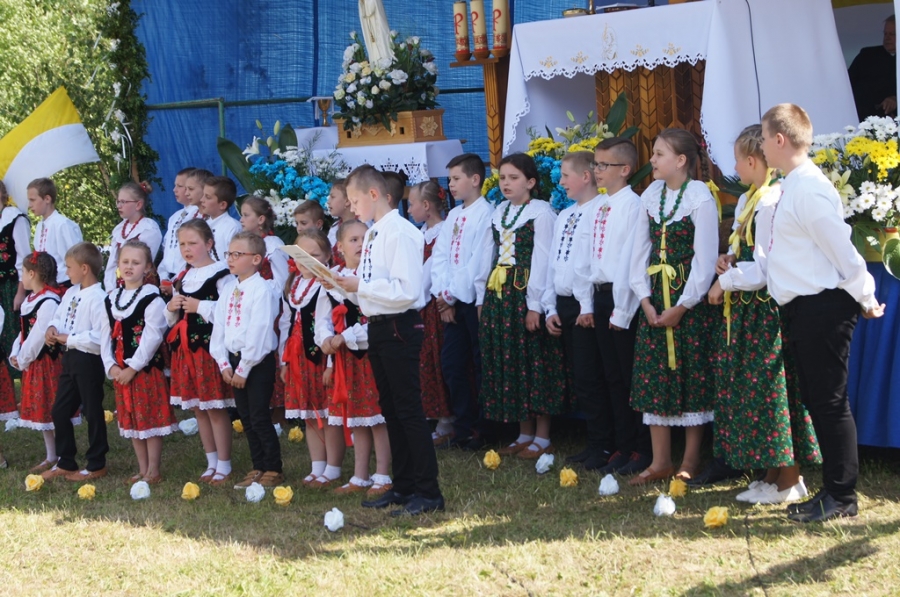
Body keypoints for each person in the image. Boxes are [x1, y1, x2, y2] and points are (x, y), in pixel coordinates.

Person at [761, 103, 885, 522]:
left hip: (824, 306)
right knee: (819, 400)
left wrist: (865, 295)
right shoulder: (792, 186)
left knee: (829, 402)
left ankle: (842, 496)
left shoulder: (809, 188)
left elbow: (842, 250)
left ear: (780, 139)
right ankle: (832, 490)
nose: (762, 146)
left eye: (764, 138)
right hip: (805, 306)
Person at [707, 124, 821, 504]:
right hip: (747, 311)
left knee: (773, 392)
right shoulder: (748, 199)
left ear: (753, 161)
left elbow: (767, 266)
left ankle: (790, 478)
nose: (735, 168)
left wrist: (726, 282)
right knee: (754, 392)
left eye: (738, 161)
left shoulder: (771, 200)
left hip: (764, 311)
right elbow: (745, 249)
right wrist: (728, 259)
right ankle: (771, 475)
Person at [331, 165, 444, 516]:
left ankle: (428, 491)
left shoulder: (401, 232)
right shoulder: (375, 232)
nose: (352, 208)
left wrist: (361, 286)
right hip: (379, 325)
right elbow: (371, 290)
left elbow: (406, 290)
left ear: (374, 194)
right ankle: (404, 485)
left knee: (408, 410)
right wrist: (343, 287)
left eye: (354, 201)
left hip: (399, 326)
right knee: (391, 410)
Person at [627, 128, 718, 486]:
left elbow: (705, 259)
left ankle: (690, 459)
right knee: (655, 375)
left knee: (691, 374)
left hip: (686, 300)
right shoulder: (650, 195)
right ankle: (660, 460)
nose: (651, 160)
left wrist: (684, 304)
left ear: (681, 160)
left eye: (659, 154)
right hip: (655, 296)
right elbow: (639, 251)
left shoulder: (699, 197)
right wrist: (644, 300)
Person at [476, 153, 566, 459]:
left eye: (514, 178)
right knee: (510, 359)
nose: (506, 183)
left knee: (534, 359)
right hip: (499, 294)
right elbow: (487, 255)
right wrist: (481, 297)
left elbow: (543, 260)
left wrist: (535, 305)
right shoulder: (498, 212)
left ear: (530, 182)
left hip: (525, 293)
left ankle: (543, 435)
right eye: (502, 178)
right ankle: (524, 431)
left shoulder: (541, 213)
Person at [571, 139, 652, 475]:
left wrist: (622, 310)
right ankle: (621, 444)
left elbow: (631, 261)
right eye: (596, 164)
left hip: (624, 299)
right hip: (601, 296)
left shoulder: (633, 205)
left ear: (625, 169)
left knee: (629, 377)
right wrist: (586, 303)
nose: (597, 170)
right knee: (611, 377)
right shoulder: (599, 206)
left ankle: (642, 449)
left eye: (604, 165)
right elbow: (585, 257)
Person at [314, 220, 392, 496]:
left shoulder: (373, 276)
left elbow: (378, 318)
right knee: (358, 416)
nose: (360, 244)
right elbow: (323, 316)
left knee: (377, 416)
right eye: (354, 240)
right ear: (340, 247)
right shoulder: (333, 277)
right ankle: (360, 475)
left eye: (365, 239)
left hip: (371, 353)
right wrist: (325, 338)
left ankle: (382, 473)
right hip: (347, 358)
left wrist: (346, 336)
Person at [545, 151, 605, 467]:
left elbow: (591, 261)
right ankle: (594, 442)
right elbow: (554, 262)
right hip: (565, 302)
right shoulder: (565, 215)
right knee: (579, 376)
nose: (561, 182)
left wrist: (585, 306)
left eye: (566, 175)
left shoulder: (601, 210)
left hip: (588, 304)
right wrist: (549, 306)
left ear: (585, 176)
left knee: (591, 375)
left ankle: (603, 444)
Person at [210, 232, 284, 489]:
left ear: (255, 259)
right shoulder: (229, 289)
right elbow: (220, 327)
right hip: (234, 362)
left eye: (237, 254)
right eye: (229, 254)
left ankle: (273, 467)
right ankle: (257, 465)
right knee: (246, 417)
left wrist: (244, 368)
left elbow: (260, 331)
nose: (230, 259)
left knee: (259, 415)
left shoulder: (262, 289)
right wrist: (223, 363)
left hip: (257, 362)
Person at [431, 153, 494, 449]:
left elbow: (477, 263)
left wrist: (450, 295)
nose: (451, 185)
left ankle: (484, 427)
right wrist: (443, 295)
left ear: (475, 179)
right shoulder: (454, 216)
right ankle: (463, 425)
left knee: (480, 364)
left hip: (471, 300)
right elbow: (440, 256)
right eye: (450, 179)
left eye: (456, 178)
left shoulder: (486, 214)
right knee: (452, 364)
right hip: (450, 301)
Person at [165, 219, 235, 486]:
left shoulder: (222, 274)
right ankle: (211, 461)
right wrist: (171, 307)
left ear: (208, 243)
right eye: (182, 243)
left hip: (209, 350)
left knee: (214, 407)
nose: (186, 249)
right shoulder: (183, 277)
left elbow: (229, 312)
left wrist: (200, 306)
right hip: (185, 352)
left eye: (192, 243)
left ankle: (224, 464)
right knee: (198, 408)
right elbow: (172, 319)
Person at [102, 241, 178, 484]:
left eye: (136, 263)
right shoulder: (111, 298)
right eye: (125, 261)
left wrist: (133, 367)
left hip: (145, 370)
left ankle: (153, 469)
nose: (129, 267)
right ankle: (142, 467)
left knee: (149, 418)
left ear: (147, 268)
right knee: (132, 419)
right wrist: (111, 365)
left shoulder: (152, 298)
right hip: (120, 371)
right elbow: (104, 335)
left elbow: (152, 337)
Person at [41, 242, 109, 482]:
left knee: (92, 410)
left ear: (84, 268)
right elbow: (59, 316)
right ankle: (66, 461)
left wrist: (69, 338)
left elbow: (99, 337)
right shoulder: (71, 292)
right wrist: (52, 328)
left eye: (69, 267)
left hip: (88, 359)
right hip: (69, 358)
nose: (66, 271)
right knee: (60, 410)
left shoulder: (99, 298)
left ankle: (96, 463)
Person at [280, 230, 340, 486]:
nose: (306, 261)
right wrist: (284, 361)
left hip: (321, 357)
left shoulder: (329, 284)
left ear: (327, 256)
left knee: (327, 413)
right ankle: (317, 465)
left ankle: (333, 467)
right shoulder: (293, 285)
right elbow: (286, 323)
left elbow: (334, 324)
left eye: (314, 255)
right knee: (309, 413)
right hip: (298, 357)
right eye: (301, 255)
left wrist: (331, 364)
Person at [10, 252, 66, 472]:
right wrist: (16, 352)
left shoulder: (49, 301)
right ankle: (51, 455)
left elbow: (38, 336)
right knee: (43, 409)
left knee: (53, 407)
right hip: (33, 362)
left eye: (23, 272)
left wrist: (23, 357)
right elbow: (24, 332)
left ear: (32, 274)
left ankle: (63, 455)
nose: (22, 277)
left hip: (46, 362)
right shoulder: (31, 299)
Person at [408, 181, 452, 442]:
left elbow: (430, 273)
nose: (409, 209)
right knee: (423, 360)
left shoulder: (443, 232)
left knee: (437, 359)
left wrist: (415, 298)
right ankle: (429, 412)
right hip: (420, 305)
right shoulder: (421, 234)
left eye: (411, 204)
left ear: (426, 205)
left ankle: (447, 418)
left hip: (433, 304)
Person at [104, 182, 163, 291]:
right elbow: (112, 263)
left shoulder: (148, 228)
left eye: (123, 202)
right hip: (120, 288)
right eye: (118, 201)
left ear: (138, 205)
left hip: (142, 286)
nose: (119, 206)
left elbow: (144, 262)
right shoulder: (119, 229)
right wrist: (110, 288)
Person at [27, 177, 83, 286]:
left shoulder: (63, 225)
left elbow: (76, 260)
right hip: (46, 285)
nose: (29, 205)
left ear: (47, 199)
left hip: (65, 285)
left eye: (33, 200)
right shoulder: (39, 226)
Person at [0, 181, 31, 372]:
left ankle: (24, 380)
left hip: (12, 286)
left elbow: (25, 259)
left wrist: (21, 292)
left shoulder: (15, 218)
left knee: (14, 335)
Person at [158, 167, 200, 293]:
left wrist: (176, 283)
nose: (174, 189)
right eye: (175, 185)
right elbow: (166, 249)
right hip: (168, 278)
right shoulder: (174, 217)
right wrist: (163, 276)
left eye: (180, 186)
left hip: (186, 280)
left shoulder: (199, 216)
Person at [848, 15, 897, 121]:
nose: (887, 38)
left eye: (892, 34)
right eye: (885, 34)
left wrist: (896, 98)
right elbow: (847, 83)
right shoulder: (867, 55)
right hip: (861, 118)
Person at [240, 196, 289, 292]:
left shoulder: (273, 245)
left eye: (246, 215)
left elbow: (283, 283)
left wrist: (256, 287)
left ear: (261, 219)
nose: (241, 220)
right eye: (242, 215)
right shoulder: (245, 242)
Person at [200, 176, 241, 262]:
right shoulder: (201, 224)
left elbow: (235, 260)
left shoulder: (233, 228)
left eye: (207, 197)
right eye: (203, 195)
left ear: (222, 205)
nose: (201, 200)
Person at [326, 179, 351, 268]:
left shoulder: (363, 225)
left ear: (347, 201)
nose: (328, 202)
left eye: (332, 197)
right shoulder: (334, 228)